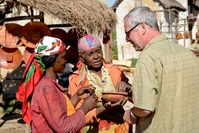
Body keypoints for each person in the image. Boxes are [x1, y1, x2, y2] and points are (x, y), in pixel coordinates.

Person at [123, 6, 199, 133]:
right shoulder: (187, 53)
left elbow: (144, 108)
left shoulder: (147, 58)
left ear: (142, 27)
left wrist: (131, 113)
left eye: (127, 33)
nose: (127, 39)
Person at [16, 36, 98, 133]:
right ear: (52, 60)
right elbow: (64, 127)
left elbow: (58, 113)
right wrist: (86, 107)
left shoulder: (49, 85)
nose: (65, 61)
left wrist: (77, 96)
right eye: (63, 57)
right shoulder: (47, 89)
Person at [68, 34, 133, 133]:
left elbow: (134, 98)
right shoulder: (76, 79)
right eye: (90, 54)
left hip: (119, 127)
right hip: (93, 129)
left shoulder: (115, 71)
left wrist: (128, 88)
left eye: (98, 52)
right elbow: (75, 114)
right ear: (82, 58)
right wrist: (102, 110)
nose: (96, 57)